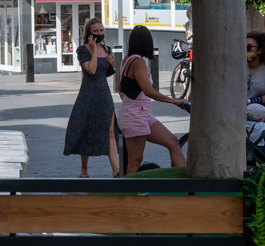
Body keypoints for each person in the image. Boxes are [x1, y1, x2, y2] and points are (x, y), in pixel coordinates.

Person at [115, 26, 187, 174]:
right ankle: (128, 195)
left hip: (141, 113)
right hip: (135, 115)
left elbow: (120, 88)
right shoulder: (138, 62)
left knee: (173, 142)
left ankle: (184, 185)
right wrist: (174, 101)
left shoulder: (126, 59)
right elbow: (149, 91)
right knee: (135, 160)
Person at [64, 22, 119, 177]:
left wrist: (112, 65)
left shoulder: (107, 49)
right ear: (89, 33)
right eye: (95, 30)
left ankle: (116, 169)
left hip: (104, 94)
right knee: (87, 129)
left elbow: (104, 73)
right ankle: (84, 168)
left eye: (101, 30)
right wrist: (94, 50)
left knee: (110, 131)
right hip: (88, 95)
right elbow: (92, 70)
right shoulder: (83, 50)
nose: (99, 33)